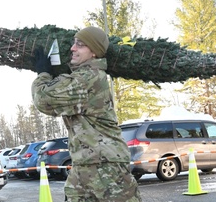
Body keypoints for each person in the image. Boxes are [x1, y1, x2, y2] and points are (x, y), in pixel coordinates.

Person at [32, 26, 142, 202]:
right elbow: (53, 105)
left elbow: (44, 99)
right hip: (86, 165)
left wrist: (43, 74)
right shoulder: (82, 77)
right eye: (74, 43)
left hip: (105, 168)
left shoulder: (89, 77)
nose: (72, 49)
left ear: (94, 53)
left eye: (80, 45)